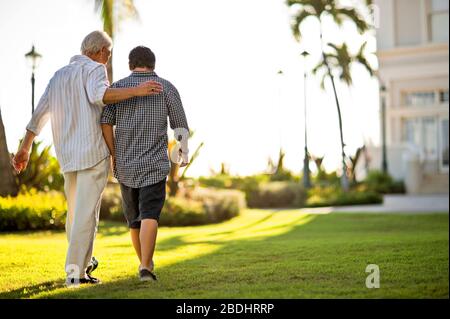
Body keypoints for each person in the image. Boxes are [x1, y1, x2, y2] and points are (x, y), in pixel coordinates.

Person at [12, 31, 163, 287]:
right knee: (85, 216)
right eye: (109, 53)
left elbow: (39, 115)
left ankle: (81, 268)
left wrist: (25, 148)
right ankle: (74, 272)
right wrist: (137, 91)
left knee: (75, 215)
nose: (108, 58)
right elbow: (100, 96)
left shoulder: (58, 75)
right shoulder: (95, 70)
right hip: (92, 154)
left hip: (68, 156)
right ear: (101, 51)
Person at [100, 45, 189, 281]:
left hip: (126, 165)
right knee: (150, 214)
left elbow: (105, 122)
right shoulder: (167, 88)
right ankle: (146, 267)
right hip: (154, 165)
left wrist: (113, 153)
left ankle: (145, 264)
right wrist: (183, 151)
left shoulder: (117, 88)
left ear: (131, 64)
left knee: (134, 220)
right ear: (153, 64)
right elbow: (180, 125)